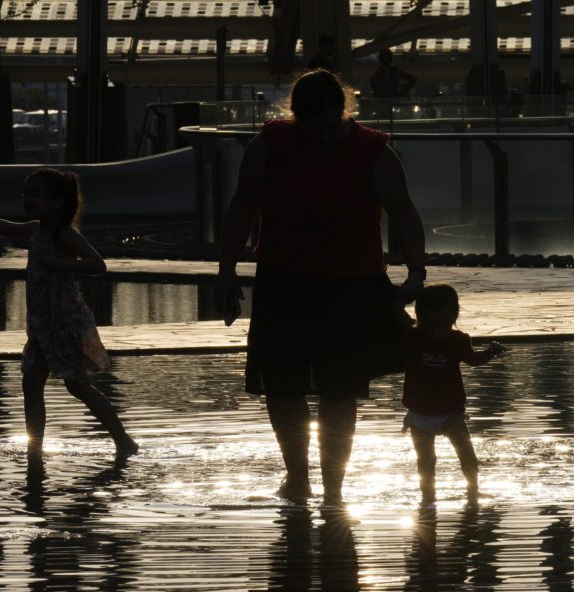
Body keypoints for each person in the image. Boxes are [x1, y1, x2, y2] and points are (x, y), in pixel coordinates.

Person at [214, 68, 427, 505]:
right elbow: (240, 207)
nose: (324, 137)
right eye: (313, 130)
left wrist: (417, 272)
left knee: (340, 387)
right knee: (281, 383)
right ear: (295, 120)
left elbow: (403, 212)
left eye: (332, 126)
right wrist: (226, 269)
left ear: (345, 111)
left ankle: (333, 484)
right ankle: (297, 476)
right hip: (283, 277)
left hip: (352, 283)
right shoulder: (271, 145)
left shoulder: (373, 151)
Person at [0, 168, 138, 460]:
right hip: (41, 325)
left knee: (78, 386)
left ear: (57, 201)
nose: (28, 200)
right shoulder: (36, 230)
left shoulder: (65, 235)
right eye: (26, 194)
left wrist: (60, 265)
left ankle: (123, 440)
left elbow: (97, 265)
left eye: (35, 194)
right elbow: (3, 226)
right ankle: (35, 449)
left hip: (65, 324)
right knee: (31, 384)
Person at [400, 283, 505, 505]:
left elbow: (473, 360)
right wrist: (400, 300)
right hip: (419, 414)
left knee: (467, 455)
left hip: (451, 412)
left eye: (442, 327)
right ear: (420, 318)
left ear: (453, 318)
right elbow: (393, 320)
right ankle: (428, 497)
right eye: (430, 328)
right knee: (425, 460)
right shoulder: (411, 338)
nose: (436, 333)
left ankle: (473, 491)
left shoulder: (458, 340)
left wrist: (491, 353)